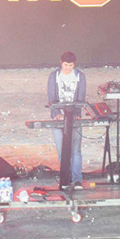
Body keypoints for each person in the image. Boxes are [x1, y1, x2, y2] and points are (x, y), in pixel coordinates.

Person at [47, 51, 87, 189]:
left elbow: (81, 98)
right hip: (58, 118)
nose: (68, 68)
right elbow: (51, 98)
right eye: (66, 65)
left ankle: (77, 180)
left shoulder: (80, 76)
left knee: (76, 151)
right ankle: (65, 179)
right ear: (61, 63)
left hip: (74, 118)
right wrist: (57, 113)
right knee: (62, 151)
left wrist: (76, 113)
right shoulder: (54, 77)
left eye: (71, 65)